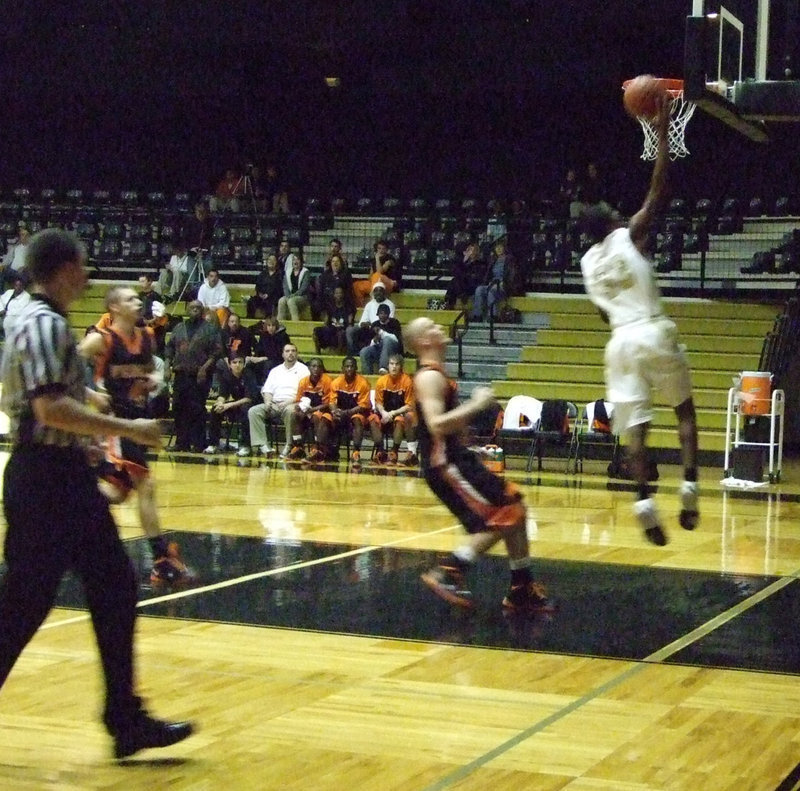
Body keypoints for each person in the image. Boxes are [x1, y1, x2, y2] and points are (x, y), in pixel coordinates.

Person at [0, 228, 194, 759]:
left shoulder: (29, 315)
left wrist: (89, 393)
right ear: (63, 270)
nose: (88, 275)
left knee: (109, 588)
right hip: (47, 476)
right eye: (83, 266)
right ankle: (124, 719)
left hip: (55, 476)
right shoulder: (45, 324)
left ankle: (124, 719)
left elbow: (48, 391)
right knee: (25, 604)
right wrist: (133, 430)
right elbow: (49, 411)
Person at [578, 96, 699, 546]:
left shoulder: (588, 264)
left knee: (635, 427)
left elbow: (600, 311)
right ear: (609, 219)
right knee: (683, 409)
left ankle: (643, 500)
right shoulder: (629, 234)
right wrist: (664, 128)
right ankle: (688, 487)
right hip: (651, 326)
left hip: (618, 342)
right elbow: (660, 186)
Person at [403, 316, 553, 613]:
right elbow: (436, 425)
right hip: (446, 465)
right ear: (423, 341)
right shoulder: (429, 377)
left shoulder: (438, 375)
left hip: (457, 460)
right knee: (505, 513)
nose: (440, 326)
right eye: (433, 326)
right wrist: (476, 404)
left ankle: (521, 588)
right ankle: (447, 571)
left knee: (515, 506)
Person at [78, 286, 188, 584]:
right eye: (130, 299)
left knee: (117, 492)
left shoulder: (147, 338)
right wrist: (91, 392)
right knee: (146, 485)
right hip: (115, 423)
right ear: (114, 307)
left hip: (137, 421)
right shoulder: (101, 339)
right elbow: (67, 366)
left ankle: (70, 493)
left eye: (138, 298)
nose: (137, 302)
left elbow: (152, 372)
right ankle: (161, 558)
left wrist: (154, 379)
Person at [164, 299, 225, 452]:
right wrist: (166, 366)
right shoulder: (179, 327)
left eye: (198, 308)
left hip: (199, 375)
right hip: (180, 373)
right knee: (178, 407)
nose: (195, 310)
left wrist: (204, 369)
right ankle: (181, 442)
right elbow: (169, 348)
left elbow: (216, 352)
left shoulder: (210, 329)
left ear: (202, 310)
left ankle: (198, 443)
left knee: (196, 408)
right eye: (192, 308)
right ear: (187, 310)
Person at [243, 342, 309, 458]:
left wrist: (288, 402)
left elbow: (304, 393)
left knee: (291, 411)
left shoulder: (304, 370)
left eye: (293, 351)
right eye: (287, 351)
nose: (290, 353)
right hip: (274, 404)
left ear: (297, 354)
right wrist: (268, 401)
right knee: (254, 411)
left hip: (293, 403)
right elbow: (267, 390)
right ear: (283, 354)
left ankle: (289, 445)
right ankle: (264, 445)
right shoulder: (275, 370)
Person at [314, 356, 371, 466]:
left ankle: (356, 453)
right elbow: (332, 402)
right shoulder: (336, 382)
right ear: (342, 368)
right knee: (325, 418)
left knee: (357, 420)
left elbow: (363, 406)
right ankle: (319, 450)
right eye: (347, 366)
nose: (349, 369)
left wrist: (347, 413)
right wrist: (335, 411)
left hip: (355, 412)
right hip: (340, 412)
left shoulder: (363, 383)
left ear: (356, 368)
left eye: (352, 366)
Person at [204, 352, 260, 454]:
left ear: (244, 364)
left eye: (240, 362)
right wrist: (220, 403)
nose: (237, 365)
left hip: (250, 404)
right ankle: (213, 444)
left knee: (245, 410)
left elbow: (249, 398)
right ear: (230, 364)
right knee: (215, 409)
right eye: (234, 362)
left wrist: (228, 405)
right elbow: (222, 395)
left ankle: (245, 446)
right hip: (236, 404)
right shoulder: (226, 375)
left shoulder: (249, 374)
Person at [368, 353, 419, 465]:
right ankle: (380, 451)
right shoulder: (381, 381)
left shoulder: (407, 381)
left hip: (399, 414)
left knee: (400, 420)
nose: (394, 367)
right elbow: (378, 402)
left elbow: (409, 405)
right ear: (388, 366)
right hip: (384, 414)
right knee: (372, 418)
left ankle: (394, 452)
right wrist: (383, 413)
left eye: (396, 364)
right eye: (391, 364)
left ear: (401, 366)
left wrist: (393, 413)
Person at [285, 357, 333, 461]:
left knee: (316, 416)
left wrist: (312, 410)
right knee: (294, 414)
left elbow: (328, 403)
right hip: (308, 410)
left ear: (322, 369)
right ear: (309, 368)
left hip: (323, 411)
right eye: (313, 366)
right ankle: (298, 446)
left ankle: (317, 448)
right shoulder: (303, 381)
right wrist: (299, 407)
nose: (316, 369)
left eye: (318, 366)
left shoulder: (327, 381)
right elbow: (299, 399)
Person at [346, 282, 396, 356]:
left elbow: (389, 321)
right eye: (376, 291)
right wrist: (365, 324)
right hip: (370, 328)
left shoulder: (390, 304)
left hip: (383, 329)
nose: (378, 293)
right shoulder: (369, 304)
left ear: (384, 292)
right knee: (350, 330)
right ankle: (353, 353)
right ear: (373, 293)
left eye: (380, 291)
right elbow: (362, 322)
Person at [359, 302, 403, 375]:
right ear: (377, 314)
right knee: (364, 351)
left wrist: (381, 333)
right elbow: (371, 344)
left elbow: (396, 339)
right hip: (379, 350)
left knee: (387, 340)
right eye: (381, 313)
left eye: (385, 313)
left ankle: (383, 367)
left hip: (393, 351)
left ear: (388, 314)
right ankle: (367, 374)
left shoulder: (394, 322)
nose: (383, 315)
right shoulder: (375, 324)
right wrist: (374, 340)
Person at [248, 315, 291, 381]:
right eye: (269, 325)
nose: (271, 328)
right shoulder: (264, 335)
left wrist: (264, 358)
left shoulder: (283, 336)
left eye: (273, 325)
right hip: (265, 359)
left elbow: (279, 353)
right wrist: (254, 357)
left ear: (276, 326)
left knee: (268, 364)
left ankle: (266, 383)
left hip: (279, 360)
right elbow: (260, 349)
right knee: (249, 364)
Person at [313, 285, 354, 354]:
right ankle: (318, 352)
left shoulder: (348, 307)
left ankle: (338, 353)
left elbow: (350, 322)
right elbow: (326, 321)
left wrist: (348, 326)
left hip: (342, 329)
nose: (338, 295)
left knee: (340, 334)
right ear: (334, 295)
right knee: (316, 331)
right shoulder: (330, 306)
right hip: (331, 329)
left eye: (340, 293)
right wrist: (324, 327)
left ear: (343, 294)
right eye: (336, 293)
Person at [246, 252, 283, 319]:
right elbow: (258, 286)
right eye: (269, 260)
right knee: (251, 301)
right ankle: (250, 319)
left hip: (273, 297)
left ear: (276, 262)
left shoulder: (280, 275)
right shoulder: (262, 274)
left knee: (269, 303)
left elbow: (279, 288)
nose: (271, 262)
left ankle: (268, 322)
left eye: (273, 260)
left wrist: (268, 295)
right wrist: (260, 294)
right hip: (261, 296)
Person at [276, 252, 311, 321]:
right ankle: (280, 323)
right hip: (290, 296)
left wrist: (294, 295)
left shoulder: (306, 272)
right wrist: (288, 295)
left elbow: (304, 288)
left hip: (302, 297)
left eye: (297, 259)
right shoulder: (288, 272)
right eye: (294, 260)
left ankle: (295, 323)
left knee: (291, 301)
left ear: (301, 261)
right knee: (281, 301)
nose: (295, 261)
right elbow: (285, 287)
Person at [0, 273, 32, 339]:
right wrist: (1, 309)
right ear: (13, 285)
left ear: (23, 286)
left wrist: (7, 313)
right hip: (5, 321)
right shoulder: (9, 292)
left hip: (17, 323)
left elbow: (21, 312)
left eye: (20, 286)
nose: (18, 287)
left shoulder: (27, 297)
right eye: (16, 285)